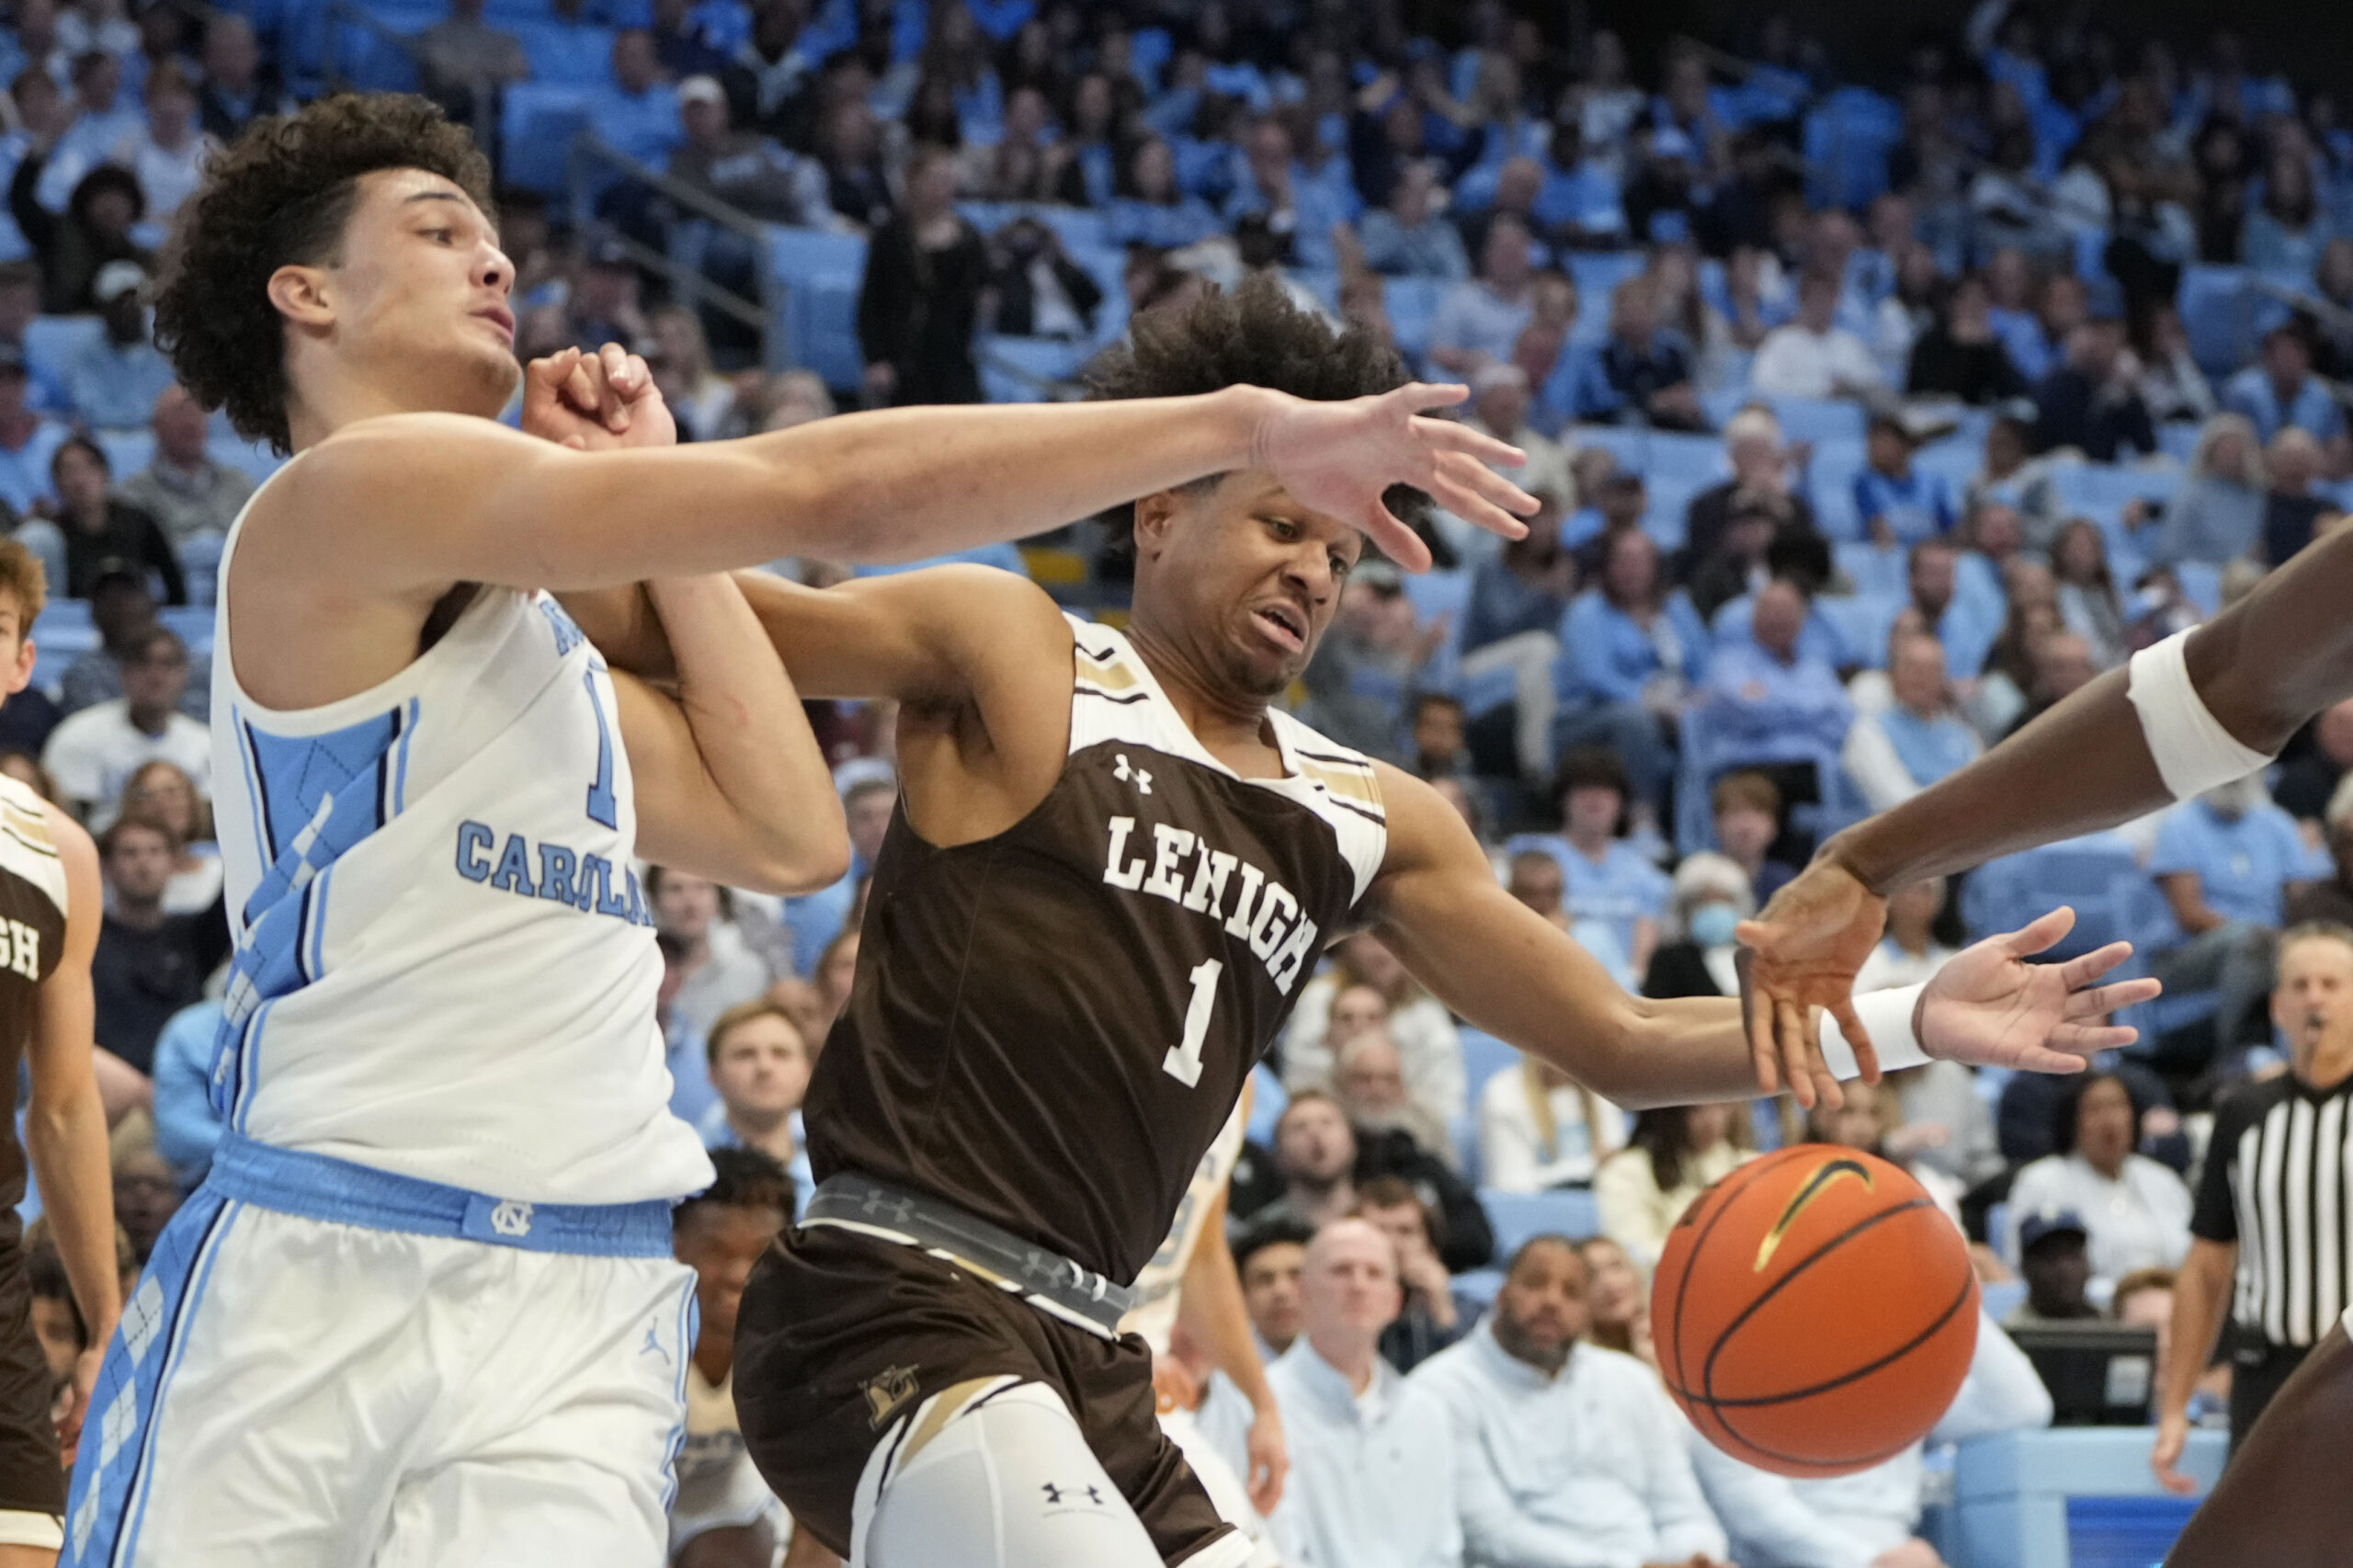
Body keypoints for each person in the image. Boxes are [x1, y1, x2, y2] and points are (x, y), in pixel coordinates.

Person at [63, 88, 1507, 1568]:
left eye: (499, 238)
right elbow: (822, 492)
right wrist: (1243, 424)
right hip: (330, 1242)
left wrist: (649, 501)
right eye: (438, 234)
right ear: (303, 292)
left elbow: (789, 831)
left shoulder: (550, 647)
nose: (495, 263)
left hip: (576, 1283)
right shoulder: (341, 497)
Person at [716, 274, 2140, 1568]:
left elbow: (1627, 1040)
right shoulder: (1018, 650)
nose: (1314, 575)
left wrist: (1907, 1022)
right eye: (1281, 525)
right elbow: (716, 618)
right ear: (1157, 510)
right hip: (891, 1290)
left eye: (1339, 557)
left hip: (1089, 1347)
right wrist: (614, 479)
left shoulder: (1373, 812)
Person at [0, 535, 119, 1562]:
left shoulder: (56, 852)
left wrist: (104, 1318)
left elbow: (68, 1107)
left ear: (21, 663)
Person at [2154, 925, 2353, 1481]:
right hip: (2267, 1376)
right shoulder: (2244, 1114)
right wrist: (2175, 1408)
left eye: (2332, 983)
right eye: (2301, 984)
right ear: (2278, 1007)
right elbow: (2206, 1268)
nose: (2315, 997)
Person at [1412, 1235, 1731, 1568]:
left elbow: (1682, 1510)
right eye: (1535, 1283)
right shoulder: (1441, 1389)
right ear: (1502, 1294)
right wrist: (1629, 1566)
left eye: (1572, 1292)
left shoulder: (1629, 1380)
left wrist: (1698, 1556)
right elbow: (1490, 1534)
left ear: (1589, 1313)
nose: (1552, 1301)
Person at [1124, 1086, 1286, 1566]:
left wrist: (1263, 1404)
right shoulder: (1105, 1030)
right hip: (1058, 1364)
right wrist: (1110, 1351)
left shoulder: (1241, 1084)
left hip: (1146, 1391)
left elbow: (1202, 1253)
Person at [1263, 1219, 1462, 1568]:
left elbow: (1442, 1548)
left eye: (1374, 1273)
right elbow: (1273, 1551)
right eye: (1341, 1270)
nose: (1358, 1285)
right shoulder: (1260, 1404)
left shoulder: (1427, 1412)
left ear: (1395, 1301)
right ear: (1303, 1292)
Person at [668, 1147, 809, 1568]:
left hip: (722, 1513)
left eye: (759, 1254)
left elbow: (816, 1510)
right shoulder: (630, 1335)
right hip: (621, 1504)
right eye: (716, 1250)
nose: (737, 1275)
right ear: (674, 1248)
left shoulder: (796, 1345)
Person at [2146, 774, 2329, 1067]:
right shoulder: (2180, 826)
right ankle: (2232, 1060)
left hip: (2273, 943)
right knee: (2249, 944)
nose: (2235, 778)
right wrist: (2260, 934)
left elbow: (2301, 899)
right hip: (2188, 956)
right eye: (2227, 772)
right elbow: (2189, 914)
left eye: (2242, 773)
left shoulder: (2277, 824)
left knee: (2317, 950)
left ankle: (2311, 1061)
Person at [2007, 1072, 2192, 1286]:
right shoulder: (2041, 1180)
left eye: (2118, 1106)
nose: (2109, 1121)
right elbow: (2020, 1268)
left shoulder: (2162, 1179)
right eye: (2095, 1109)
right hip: (2080, 1314)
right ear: (2072, 1120)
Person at [87, 812, 224, 1077]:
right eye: (129, 853)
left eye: (155, 851)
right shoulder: (86, 938)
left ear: (174, 863)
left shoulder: (195, 935)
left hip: (186, 1089)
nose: (143, 863)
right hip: (109, 1090)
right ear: (106, 866)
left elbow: (237, 894)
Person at [855, 145, 985, 407]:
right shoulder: (890, 236)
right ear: (914, 182)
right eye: (934, 179)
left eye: (947, 180)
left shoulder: (969, 239)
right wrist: (876, 359)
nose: (942, 187)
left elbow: (974, 300)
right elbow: (872, 302)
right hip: (901, 357)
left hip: (953, 358)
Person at [39, 626, 207, 828]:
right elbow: (63, 818)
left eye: (168, 665)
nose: (156, 676)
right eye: (143, 664)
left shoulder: (206, 743)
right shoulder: (78, 735)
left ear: (184, 674)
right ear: (124, 672)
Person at [22, 437, 182, 608]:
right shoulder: (52, 534)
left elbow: (172, 579)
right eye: (68, 471)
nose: (79, 480)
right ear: (57, 484)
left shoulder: (138, 522)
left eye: (88, 467)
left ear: (104, 473)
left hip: (134, 619)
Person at [1594, 1104, 1752, 1269]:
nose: (1713, 1120)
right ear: (1665, 1111)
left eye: (1721, 1106)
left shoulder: (1752, 1164)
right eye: (1696, 1109)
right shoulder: (1625, 1172)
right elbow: (1632, 1253)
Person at [1842, 633, 1982, 814]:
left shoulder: (1963, 735)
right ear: (1893, 675)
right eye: (1912, 668)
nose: (1920, 678)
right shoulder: (1868, 731)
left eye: (1931, 670)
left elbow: (1983, 791)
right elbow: (1895, 802)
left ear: (1943, 680)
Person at [1353, 1176, 1476, 1372]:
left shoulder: (1470, 1312)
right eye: (1379, 1230)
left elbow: (1478, 1385)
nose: (1393, 1244)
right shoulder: (1338, 1305)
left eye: (1406, 1231)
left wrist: (1443, 1312)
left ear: (1432, 1249)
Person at [111, 382, 256, 551]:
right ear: (156, 426)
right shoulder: (132, 497)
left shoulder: (239, 486)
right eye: (179, 413)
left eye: (196, 413)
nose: (190, 423)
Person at [650, 867, 773, 1049]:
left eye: (701, 887)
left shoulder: (749, 973)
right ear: (654, 901)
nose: (690, 902)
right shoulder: (642, 977)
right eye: (675, 889)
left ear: (719, 898)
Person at [699, 999, 813, 1195]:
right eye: (745, 1054)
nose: (764, 1067)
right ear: (713, 1074)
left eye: (781, 1053)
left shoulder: (839, 1159)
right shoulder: (687, 1162)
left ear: (807, 1072)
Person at [1476, 1052, 1625, 1193]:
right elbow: (1510, 1186)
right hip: (1532, 1212)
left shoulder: (1603, 1089)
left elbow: (1618, 1166)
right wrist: (1589, 1166)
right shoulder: (1503, 1094)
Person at [62, 260, 171, 431]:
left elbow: (179, 400)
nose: (129, 309)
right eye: (120, 303)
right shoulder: (86, 356)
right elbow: (92, 410)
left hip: (164, 437)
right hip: (111, 440)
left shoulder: (166, 350)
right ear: (103, 309)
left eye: (136, 301)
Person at [2153, 413, 2268, 569]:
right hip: (2198, 574)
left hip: (2245, 577)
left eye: (2236, 448)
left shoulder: (2257, 496)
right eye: (2225, 448)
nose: (2230, 453)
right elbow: (2172, 550)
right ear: (2210, 451)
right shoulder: (2192, 494)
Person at [1749, 269, 1882, 400]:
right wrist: (1820, 389)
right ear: (1802, 299)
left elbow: (1873, 383)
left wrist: (1849, 387)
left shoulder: (1849, 344)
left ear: (1836, 301)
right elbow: (1763, 383)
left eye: (1827, 297)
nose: (1822, 303)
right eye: (1816, 297)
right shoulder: (1781, 340)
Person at [1642, 851, 1753, 1001]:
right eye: (1704, 901)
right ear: (1684, 909)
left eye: (1724, 900)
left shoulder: (1757, 958)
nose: (1715, 908)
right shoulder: (1669, 960)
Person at [2222, 325, 2347, 449]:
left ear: (2307, 359)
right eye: (2283, 355)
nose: (2289, 362)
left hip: (2311, 466)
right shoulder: (2243, 393)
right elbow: (2232, 445)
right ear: (2267, 359)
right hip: (2255, 466)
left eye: (2295, 355)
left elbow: (2336, 446)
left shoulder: (2323, 397)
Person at [1853, 415, 1956, 548]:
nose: (1874, 451)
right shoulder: (1866, 484)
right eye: (1871, 445)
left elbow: (1948, 528)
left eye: (1883, 444)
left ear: (1904, 445)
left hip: (1931, 554)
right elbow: (1879, 529)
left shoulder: (1933, 482)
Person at [1235, 1217, 1313, 1363]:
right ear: (1242, 1296)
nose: (1281, 1291)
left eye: (1296, 1275)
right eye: (1265, 1280)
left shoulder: (1358, 1359)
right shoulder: (1219, 1376)